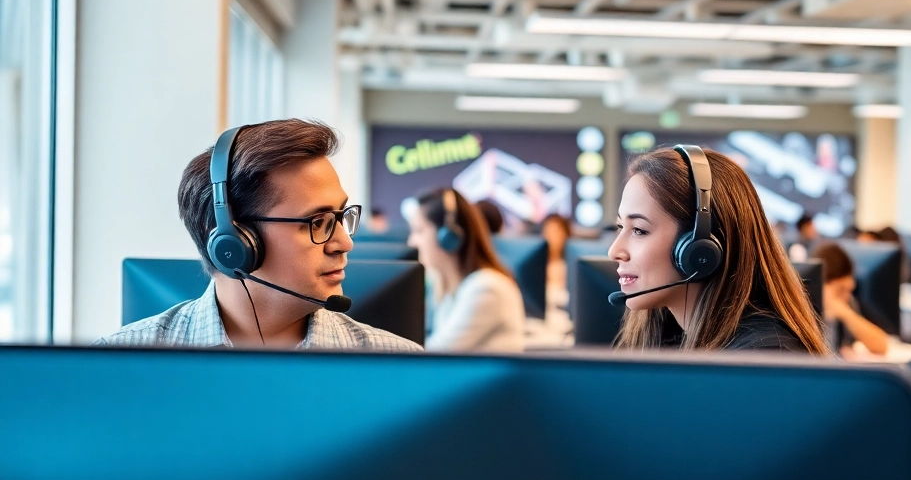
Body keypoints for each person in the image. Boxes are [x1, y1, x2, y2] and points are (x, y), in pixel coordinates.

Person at [98, 120, 421, 352]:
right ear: (234, 244)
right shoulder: (119, 366)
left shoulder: (398, 366)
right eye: (318, 221)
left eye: (341, 217)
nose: (345, 243)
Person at [609, 145, 826, 355]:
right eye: (620, 227)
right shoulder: (668, 336)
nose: (614, 251)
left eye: (639, 230)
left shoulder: (763, 360)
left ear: (698, 249)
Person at [406, 187, 525, 352]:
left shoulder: (486, 288)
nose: (412, 242)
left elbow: (433, 357)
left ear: (448, 236)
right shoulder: (446, 285)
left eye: (419, 231)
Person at [811, 242, 889, 358]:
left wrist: (847, 314)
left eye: (849, 290)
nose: (847, 296)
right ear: (822, 285)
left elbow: (881, 346)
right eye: (841, 290)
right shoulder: (804, 306)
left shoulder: (847, 303)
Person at [540, 213, 572, 310]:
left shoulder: (571, 266)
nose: (550, 237)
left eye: (555, 232)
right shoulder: (534, 267)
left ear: (566, 234)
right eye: (547, 232)